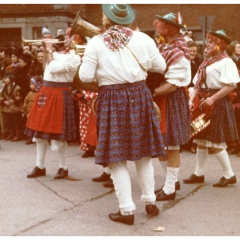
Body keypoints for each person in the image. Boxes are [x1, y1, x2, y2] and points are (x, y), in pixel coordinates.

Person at [79, 4, 166, 225]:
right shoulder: (143, 38)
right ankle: (150, 202)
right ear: (128, 19)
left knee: (116, 157)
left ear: (106, 19)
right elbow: (161, 66)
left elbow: (86, 75)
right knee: (144, 154)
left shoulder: (96, 42)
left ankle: (127, 210)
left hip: (112, 98)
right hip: (140, 93)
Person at [183, 29, 239, 187]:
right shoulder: (207, 61)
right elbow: (196, 85)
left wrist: (213, 98)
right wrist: (191, 101)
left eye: (211, 42)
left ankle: (229, 175)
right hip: (202, 102)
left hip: (218, 103)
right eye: (208, 41)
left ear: (219, 45)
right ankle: (199, 173)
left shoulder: (226, 61)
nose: (207, 45)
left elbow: (231, 85)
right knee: (200, 139)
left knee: (216, 141)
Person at [25, 36, 81, 180]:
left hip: (60, 94)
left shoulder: (75, 58)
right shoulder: (56, 54)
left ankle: (63, 167)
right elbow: (46, 68)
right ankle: (40, 166)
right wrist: (45, 48)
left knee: (58, 136)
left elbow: (54, 68)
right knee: (39, 133)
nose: (66, 40)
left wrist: (49, 49)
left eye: (70, 38)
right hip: (46, 92)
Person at [152, 12, 191, 201]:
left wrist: (151, 93)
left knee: (172, 145)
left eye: (161, 23)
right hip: (161, 98)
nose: (156, 24)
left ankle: (170, 189)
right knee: (161, 144)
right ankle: (171, 181)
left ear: (171, 28)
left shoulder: (179, 53)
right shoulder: (165, 47)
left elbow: (173, 84)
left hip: (172, 99)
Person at [225, 40, 240, 156]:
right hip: (232, 93)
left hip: (238, 93)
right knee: (233, 122)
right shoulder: (230, 60)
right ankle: (234, 145)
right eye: (238, 47)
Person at [72, 89, 98, 158]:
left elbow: (97, 92)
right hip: (84, 106)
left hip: (94, 106)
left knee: (94, 128)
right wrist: (77, 94)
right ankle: (88, 150)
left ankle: (100, 150)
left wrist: (85, 96)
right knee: (84, 128)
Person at [0, 72, 23, 141]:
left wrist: (13, 100)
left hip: (15, 107)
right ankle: (11, 133)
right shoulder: (4, 87)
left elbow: (19, 96)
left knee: (16, 122)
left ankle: (17, 134)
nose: (4, 80)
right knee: (9, 121)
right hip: (7, 107)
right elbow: (2, 96)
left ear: (11, 79)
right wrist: (4, 101)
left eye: (6, 78)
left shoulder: (17, 87)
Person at [22, 75, 42, 145]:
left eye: (32, 84)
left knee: (36, 126)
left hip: (36, 113)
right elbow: (26, 101)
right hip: (29, 112)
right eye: (30, 84)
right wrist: (24, 110)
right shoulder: (30, 93)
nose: (30, 86)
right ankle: (30, 138)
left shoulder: (40, 93)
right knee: (29, 126)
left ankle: (37, 138)